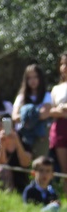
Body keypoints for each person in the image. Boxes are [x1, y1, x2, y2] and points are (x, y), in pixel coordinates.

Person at [12, 64, 52, 160]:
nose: (32, 81)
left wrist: (26, 114)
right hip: (23, 135)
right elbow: (15, 117)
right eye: (29, 78)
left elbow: (45, 114)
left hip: (41, 137)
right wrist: (35, 114)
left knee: (39, 161)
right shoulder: (21, 97)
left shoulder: (47, 95)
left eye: (35, 77)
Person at [0, 112, 31, 193]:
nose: (1, 129)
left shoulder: (25, 145)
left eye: (4, 125)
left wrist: (17, 141)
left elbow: (25, 163)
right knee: (3, 170)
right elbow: (1, 164)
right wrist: (2, 145)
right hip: (2, 187)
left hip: (21, 185)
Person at [48, 53, 67, 196]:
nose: (64, 67)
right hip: (60, 130)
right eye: (62, 63)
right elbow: (50, 111)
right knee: (64, 170)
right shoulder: (56, 89)